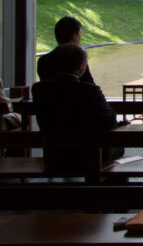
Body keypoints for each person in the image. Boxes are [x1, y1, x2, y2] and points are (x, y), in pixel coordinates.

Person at [31, 43, 122, 172]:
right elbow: (109, 120)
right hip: (87, 156)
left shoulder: (39, 90)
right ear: (81, 66)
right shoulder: (90, 91)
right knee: (118, 147)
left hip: (53, 157)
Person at [36, 16, 96, 84]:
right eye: (80, 34)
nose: (80, 38)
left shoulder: (43, 61)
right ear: (74, 36)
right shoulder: (78, 60)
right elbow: (91, 88)